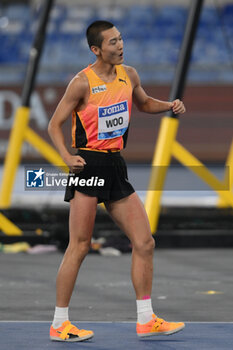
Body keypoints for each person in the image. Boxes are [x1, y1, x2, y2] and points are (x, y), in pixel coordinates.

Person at [48, 20, 186, 342]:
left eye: (121, 39)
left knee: (145, 242)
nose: (120, 45)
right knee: (80, 246)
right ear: (96, 49)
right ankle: (59, 323)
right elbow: (55, 124)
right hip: (89, 165)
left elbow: (144, 102)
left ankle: (146, 319)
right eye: (112, 42)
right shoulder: (82, 83)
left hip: (115, 165)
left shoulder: (129, 74)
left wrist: (169, 106)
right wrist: (67, 159)